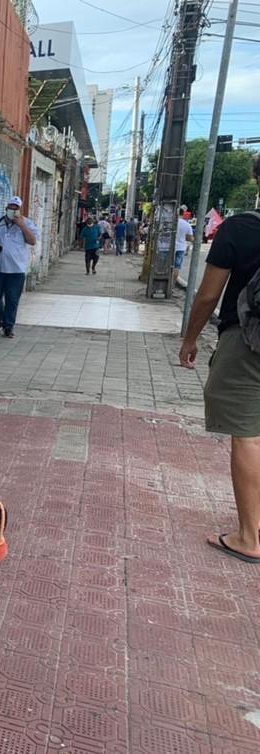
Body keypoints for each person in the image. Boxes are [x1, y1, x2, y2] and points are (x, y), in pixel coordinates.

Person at [179, 157, 260, 564]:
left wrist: (189, 339)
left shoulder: (241, 228)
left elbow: (208, 296)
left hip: (248, 344)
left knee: (247, 433)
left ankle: (249, 536)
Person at [0, 196, 39, 339]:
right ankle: (0, 316)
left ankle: (8, 326)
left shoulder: (27, 223)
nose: (12, 210)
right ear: (6, 208)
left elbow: (32, 241)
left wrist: (21, 225)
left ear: (20, 210)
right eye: (10, 207)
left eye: (15, 208)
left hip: (16, 270)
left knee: (12, 299)